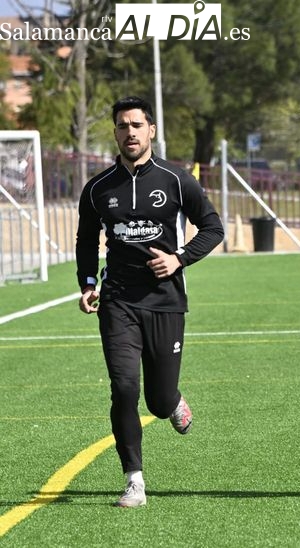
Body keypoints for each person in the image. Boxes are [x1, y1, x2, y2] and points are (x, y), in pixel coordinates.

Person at [76, 96, 225, 508]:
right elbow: (86, 239)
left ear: (151, 130)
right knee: (124, 388)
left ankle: (173, 401)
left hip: (165, 302)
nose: (130, 132)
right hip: (118, 301)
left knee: (158, 402)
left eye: (137, 125)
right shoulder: (98, 188)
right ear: (116, 132)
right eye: (122, 126)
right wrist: (88, 283)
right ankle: (134, 480)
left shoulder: (176, 181)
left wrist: (179, 259)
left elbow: (213, 228)